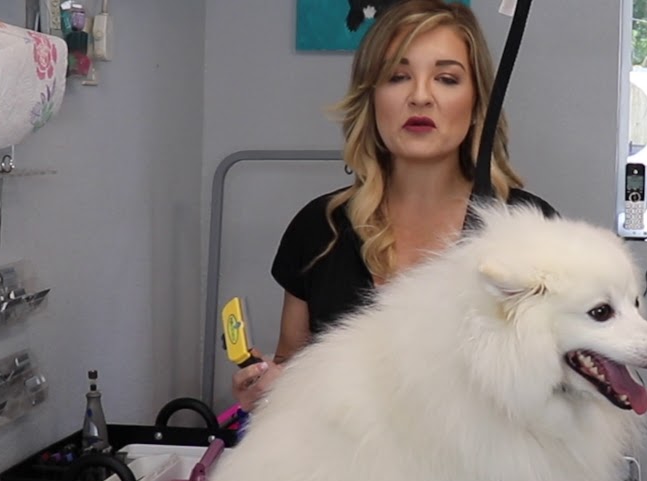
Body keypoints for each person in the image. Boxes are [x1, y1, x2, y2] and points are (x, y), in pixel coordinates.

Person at [231, 0, 557, 412]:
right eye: (398, 77)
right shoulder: (320, 229)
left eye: (447, 79)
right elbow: (292, 371)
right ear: (371, 99)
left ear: (477, 104)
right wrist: (265, 390)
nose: (420, 97)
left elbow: (561, 391)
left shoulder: (531, 232)